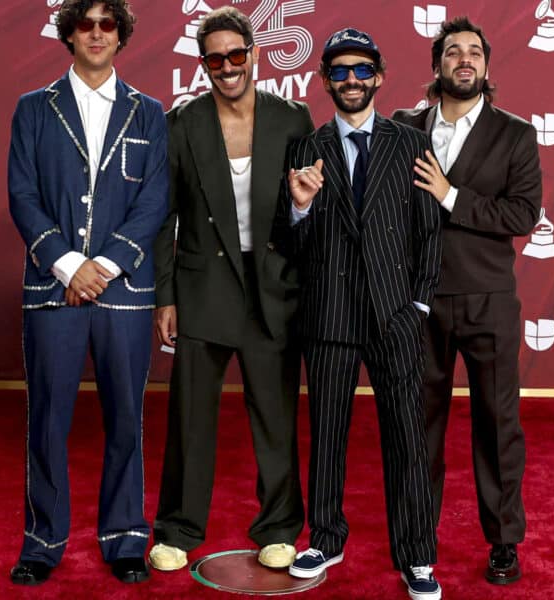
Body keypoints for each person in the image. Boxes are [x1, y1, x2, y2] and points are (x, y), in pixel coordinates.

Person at [6, 0, 167, 586]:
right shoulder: (33, 109)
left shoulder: (150, 114)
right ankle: (42, 542)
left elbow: (154, 200)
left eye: (108, 24)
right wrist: (69, 265)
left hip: (124, 293)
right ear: (68, 34)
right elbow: (22, 195)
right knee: (47, 418)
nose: (96, 34)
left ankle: (125, 537)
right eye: (86, 23)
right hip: (53, 291)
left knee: (127, 416)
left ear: (121, 37)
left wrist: (103, 266)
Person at [148, 6, 314, 573]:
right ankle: (176, 529)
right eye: (215, 58)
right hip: (202, 288)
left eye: (236, 55)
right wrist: (164, 296)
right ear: (204, 65)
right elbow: (162, 218)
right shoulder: (181, 123)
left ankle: (279, 526)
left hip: (273, 288)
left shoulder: (292, 119)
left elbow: (309, 212)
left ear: (255, 55)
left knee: (275, 414)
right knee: (191, 417)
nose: (227, 66)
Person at [279, 27, 443, 600]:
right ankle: (325, 536)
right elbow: (287, 243)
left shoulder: (411, 143)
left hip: (395, 316)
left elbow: (429, 233)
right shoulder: (305, 147)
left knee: (406, 440)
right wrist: (298, 210)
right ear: (324, 80)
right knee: (326, 435)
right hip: (328, 317)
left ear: (379, 76)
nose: (350, 80)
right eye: (339, 71)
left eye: (360, 69)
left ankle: (418, 556)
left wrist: (416, 304)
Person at [391, 16, 542, 585]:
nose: (463, 60)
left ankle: (503, 541)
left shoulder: (515, 134)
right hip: (419, 303)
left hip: (488, 301)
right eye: (452, 51)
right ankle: (417, 539)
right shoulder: (404, 128)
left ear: (486, 66)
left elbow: (522, 215)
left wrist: (451, 195)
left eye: (473, 52)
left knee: (497, 424)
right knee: (418, 427)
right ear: (437, 65)